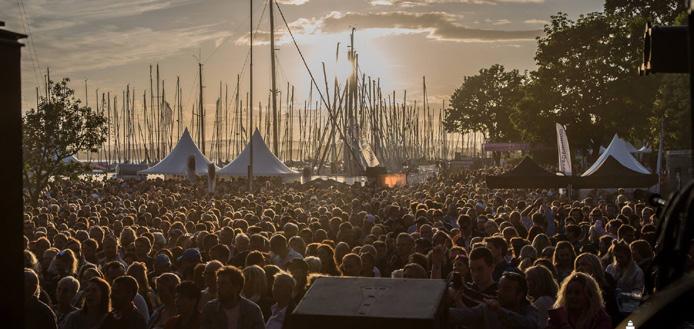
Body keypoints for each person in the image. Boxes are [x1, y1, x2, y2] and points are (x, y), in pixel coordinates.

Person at [448, 271, 542, 329]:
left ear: (520, 295)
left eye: (506, 289)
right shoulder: (488, 308)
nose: (500, 292)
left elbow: (530, 325)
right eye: (499, 288)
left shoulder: (530, 311)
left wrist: (500, 311)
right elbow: (465, 315)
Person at [200, 265, 264, 329]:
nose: (219, 287)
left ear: (237, 287)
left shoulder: (252, 310)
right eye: (218, 283)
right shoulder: (210, 309)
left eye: (223, 283)